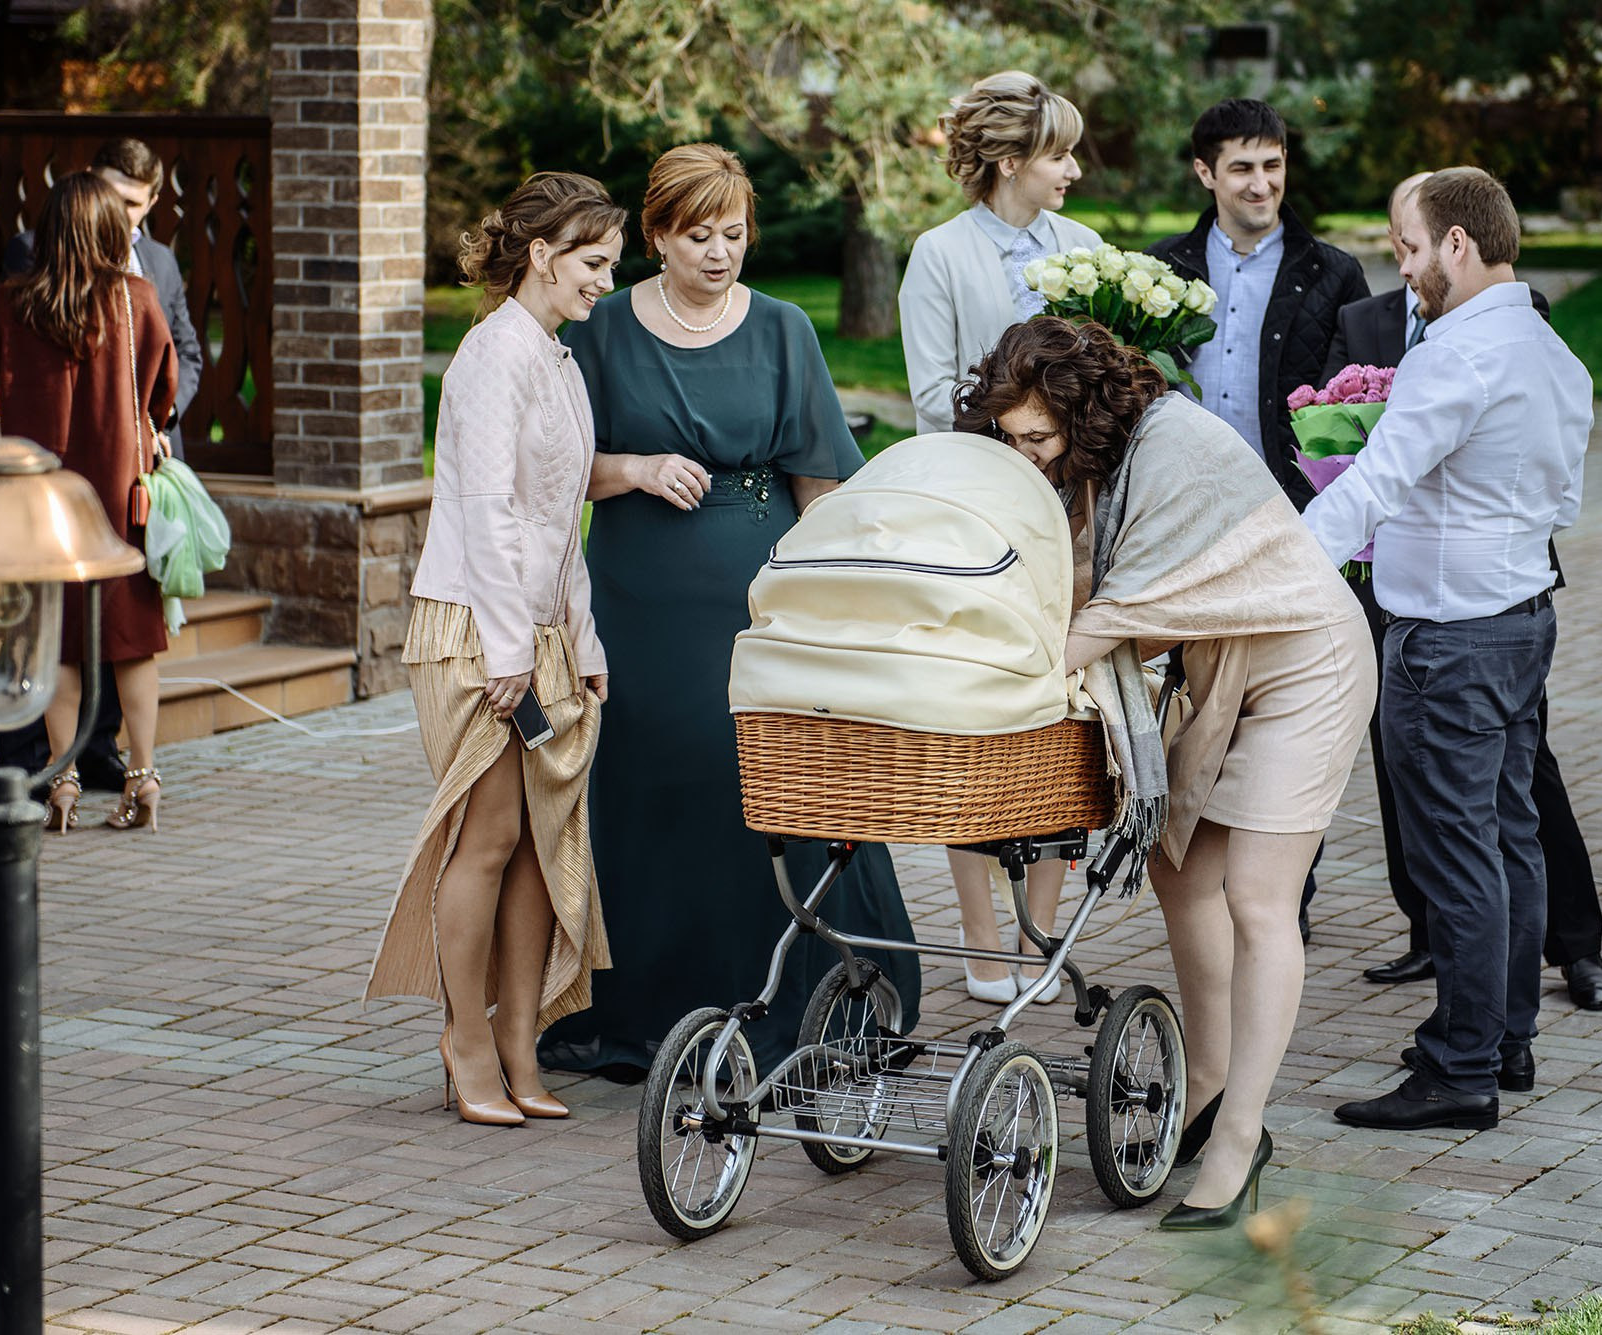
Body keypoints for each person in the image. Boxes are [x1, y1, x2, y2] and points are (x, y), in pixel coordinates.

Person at [956, 317, 1375, 1229]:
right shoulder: (1097, 461)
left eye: (1035, 437)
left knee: (1261, 897)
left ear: (1081, 409)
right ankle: (1210, 1082)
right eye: (1010, 439)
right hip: (1220, 660)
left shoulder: (1175, 442)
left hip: (1307, 658)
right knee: (1179, 870)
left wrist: (992, 682)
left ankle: (1241, 1137)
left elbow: (1108, 620)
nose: (1023, 456)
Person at [536, 143, 921, 1080]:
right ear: (657, 235)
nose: (720, 252)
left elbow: (822, 481)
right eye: (699, 234)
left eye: (735, 234)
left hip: (760, 594)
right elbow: (544, 472)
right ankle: (648, 1012)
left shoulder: (785, 328)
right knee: (654, 780)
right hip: (637, 597)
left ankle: (803, 1002)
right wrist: (631, 469)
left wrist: (829, 603)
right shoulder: (603, 329)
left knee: (763, 773)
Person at [1305, 167, 1592, 1131]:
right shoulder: (1555, 354)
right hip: (1521, 619)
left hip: (1447, 641)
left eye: (1411, 247)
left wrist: (1280, 563)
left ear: (1457, 244)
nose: (1405, 267)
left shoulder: (1454, 353)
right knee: (1510, 835)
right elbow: (1563, 505)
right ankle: (1505, 1035)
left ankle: (1460, 1065)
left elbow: (1375, 482)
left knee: (1458, 852)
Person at [364, 173, 623, 1126]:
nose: (605, 281)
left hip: (538, 633)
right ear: (543, 254)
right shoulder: (490, 355)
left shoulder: (556, 357)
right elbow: (486, 516)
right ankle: (463, 1038)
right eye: (593, 263)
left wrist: (580, 641)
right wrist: (512, 652)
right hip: (475, 631)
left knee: (532, 849)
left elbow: (558, 521)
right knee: (488, 840)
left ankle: (521, 1041)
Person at [897, 69, 1100, 1003]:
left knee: (1065, 715)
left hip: (1075, 520)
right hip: (977, 521)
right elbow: (932, 396)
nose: (1074, 169)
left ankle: (1041, 933)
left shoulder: (1089, 249)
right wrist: (1016, 432)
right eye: (1058, 154)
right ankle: (983, 941)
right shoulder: (938, 256)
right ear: (1011, 161)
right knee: (976, 718)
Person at [1146, 97, 1370, 941]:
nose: (1261, 183)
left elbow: (1351, 408)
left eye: (1273, 165)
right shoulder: (1159, 269)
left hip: (1290, 525)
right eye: (1241, 167)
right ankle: (1197, 876)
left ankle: (1279, 901)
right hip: (1188, 516)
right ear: (1206, 173)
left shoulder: (1332, 271)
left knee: (1279, 702)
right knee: (1199, 701)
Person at [0, 137, 204, 793]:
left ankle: (62, 781)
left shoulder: (11, 304)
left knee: (57, 640)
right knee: (131, 638)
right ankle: (142, 774)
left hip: (41, 494)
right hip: (118, 494)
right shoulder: (135, 299)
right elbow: (165, 386)